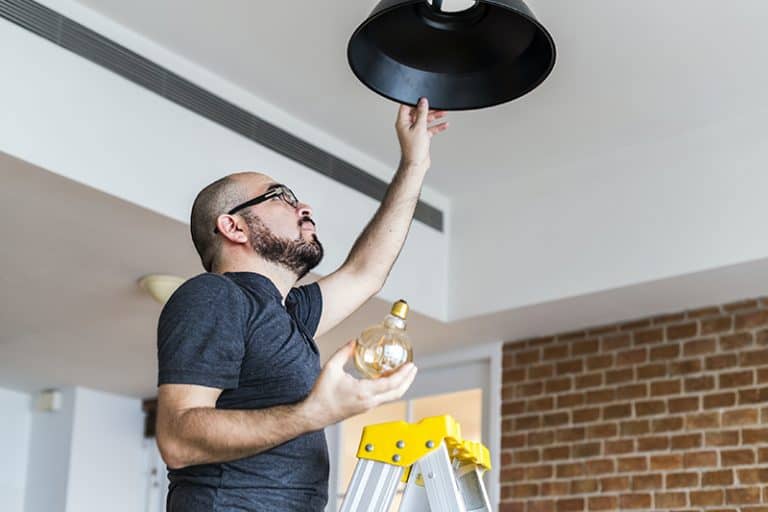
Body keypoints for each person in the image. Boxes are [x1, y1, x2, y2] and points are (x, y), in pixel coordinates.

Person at [155, 98, 449, 511]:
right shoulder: (214, 296)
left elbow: (366, 271)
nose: (304, 208)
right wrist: (313, 413)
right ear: (233, 226)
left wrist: (414, 164)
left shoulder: (287, 313)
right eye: (280, 197)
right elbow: (177, 439)